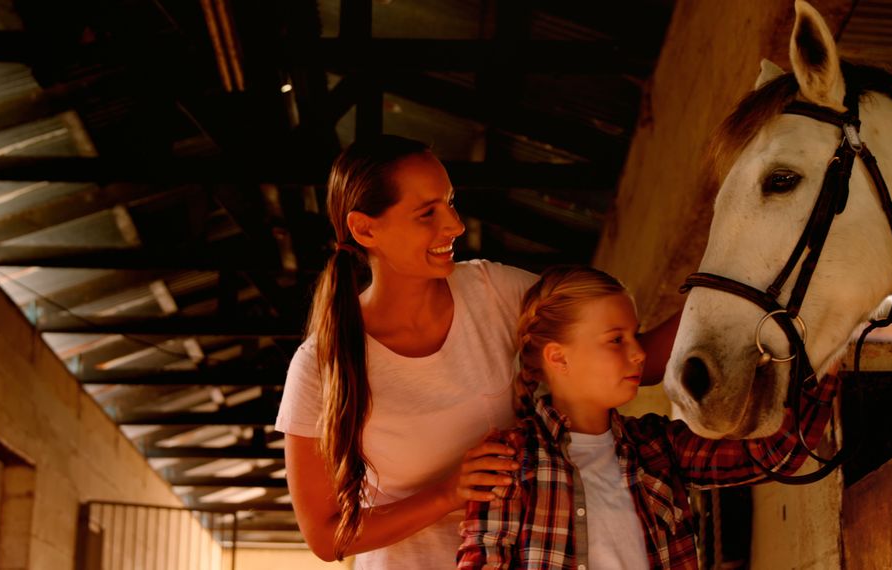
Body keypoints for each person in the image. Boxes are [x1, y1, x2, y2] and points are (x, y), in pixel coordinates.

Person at [277, 135, 683, 568]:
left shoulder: (494, 292)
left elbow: (622, 356)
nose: (454, 225)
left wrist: (728, 296)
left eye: (450, 202)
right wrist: (448, 493)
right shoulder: (319, 365)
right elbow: (325, 534)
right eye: (427, 213)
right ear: (364, 228)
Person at [457, 266, 839, 569]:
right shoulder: (508, 458)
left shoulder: (658, 446)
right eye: (616, 339)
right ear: (559, 358)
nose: (639, 353)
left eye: (635, 336)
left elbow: (775, 453)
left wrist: (830, 350)